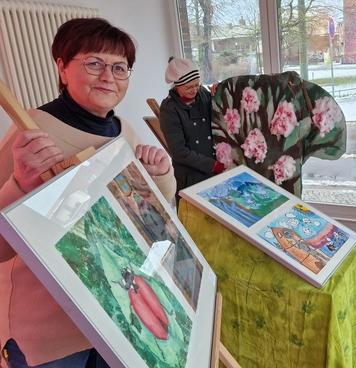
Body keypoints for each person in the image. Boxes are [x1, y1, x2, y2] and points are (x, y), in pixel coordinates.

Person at [0, 18, 176, 367]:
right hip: (50, 328)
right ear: (62, 68)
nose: (108, 76)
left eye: (119, 67)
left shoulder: (122, 128)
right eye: (94, 63)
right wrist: (20, 184)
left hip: (114, 312)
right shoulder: (31, 133)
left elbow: (152, 209)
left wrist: (162, 174)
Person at [159, 57, 225, 202]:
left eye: (197, 84)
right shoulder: (169, 109)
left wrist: (219, 91)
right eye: (189, 87)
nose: (194, 90)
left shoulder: (203, 95)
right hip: (191, 176)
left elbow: (218, 112)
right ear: (177, 86)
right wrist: (212, 165)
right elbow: (179, 152)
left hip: (214, 171)